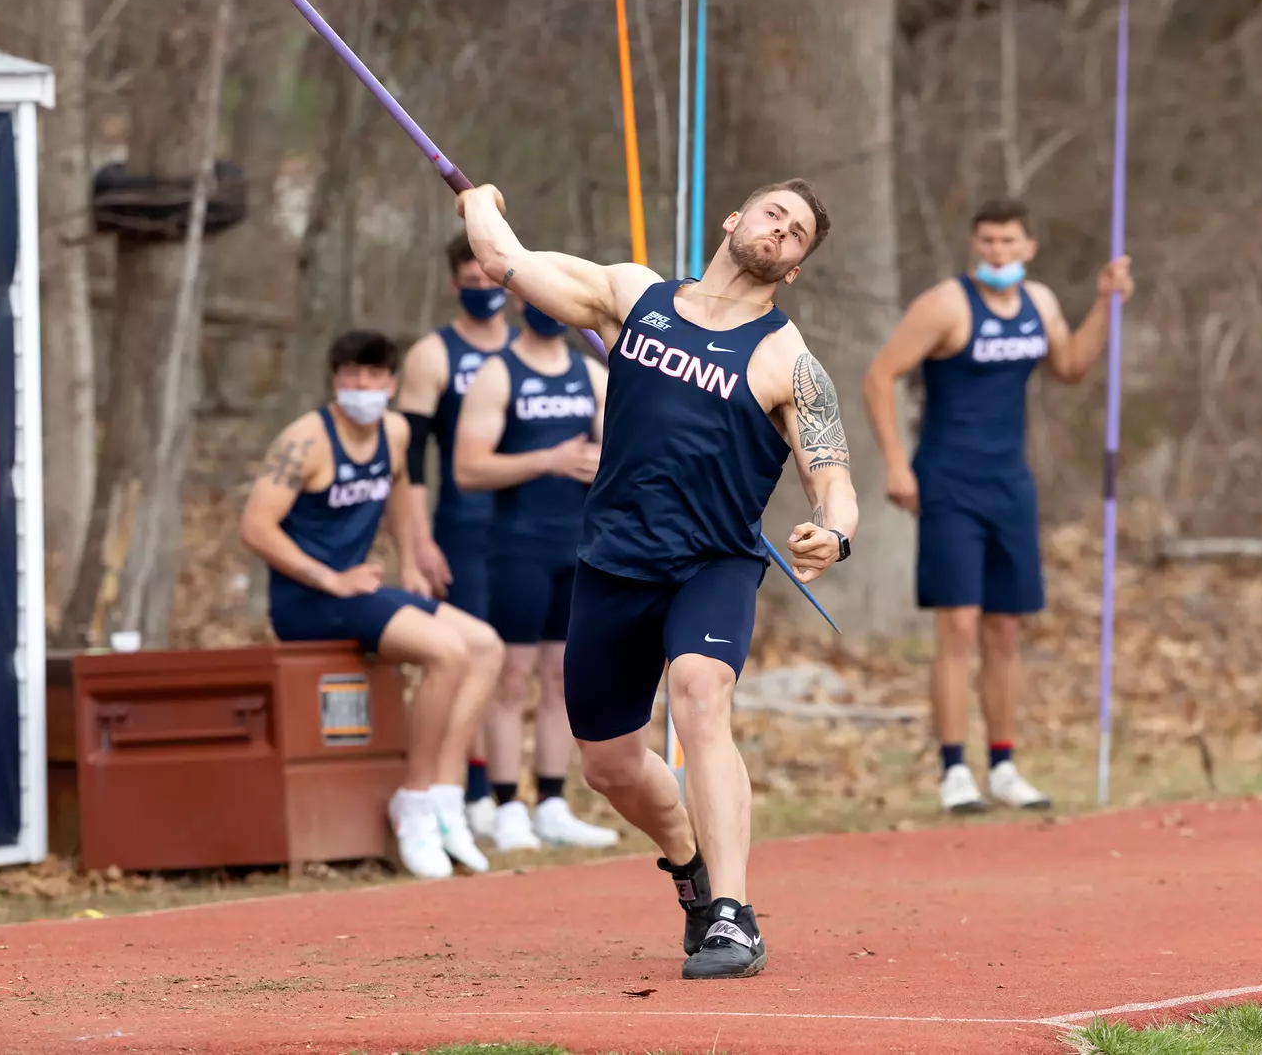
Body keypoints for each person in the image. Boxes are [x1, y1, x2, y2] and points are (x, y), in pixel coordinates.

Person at [457, 177, 859, 980]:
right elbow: (505, 259)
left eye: (798, 234)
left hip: (712, 562)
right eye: (773, 213)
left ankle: (733, 918)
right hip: (613, 563)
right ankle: (688, 862)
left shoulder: (789, 359)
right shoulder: (632, 295)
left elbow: (834, 476)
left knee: (701, 694)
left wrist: (836, 533)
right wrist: (480, 197)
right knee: (607, 766)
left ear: (794, 270)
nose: (780, 231)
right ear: (735, 218)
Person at [861, 198, 1132, 815]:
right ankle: (955, 769)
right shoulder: (946, 305)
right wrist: (898, 464)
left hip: (1010, 484)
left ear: (1028, 247)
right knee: (957, 627)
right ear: (973, 245)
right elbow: (880, 375)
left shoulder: (1039, 303)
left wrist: (1106, 303)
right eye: (986, 241)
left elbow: (1069, 367)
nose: (997, 253)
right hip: (948, 482)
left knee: (1005, 630)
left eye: (1009, 242)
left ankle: (1005, 764)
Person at [239, 329, 503, 881]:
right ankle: (413, 798)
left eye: (373, 377)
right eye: (350, 376)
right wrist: (329, 579)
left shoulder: (397, 431)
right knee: (447, 654)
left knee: (485, 646)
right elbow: (256, 528)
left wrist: (412, 557)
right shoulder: (305, 440)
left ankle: (446, 798)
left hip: (359, 589)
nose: (361, 386)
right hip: (308, 601)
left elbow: (402, 489)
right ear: (335, 381)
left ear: (390, 383)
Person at [451, 300, 620, 851]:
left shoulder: (589, 373)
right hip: (516, 547)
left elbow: (626, 453)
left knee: (558, 679)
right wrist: (545, 460)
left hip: (578, 549)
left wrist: (607, 465)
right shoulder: (498, 374)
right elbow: (468, 468)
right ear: (523, 305)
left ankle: (551, 800)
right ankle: (506, 807)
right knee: (510, 676)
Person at [396, 234, 519, 835]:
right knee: (472, 656)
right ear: (454, 284)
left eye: (489, 283)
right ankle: (463, 791)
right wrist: (418, 542)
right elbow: (408, 460)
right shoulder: (432, 356)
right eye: (469, 285)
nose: (481, 294)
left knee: (523, 665)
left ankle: (513, 796)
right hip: (463, 527)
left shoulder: (534, 345)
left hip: (535, 531)